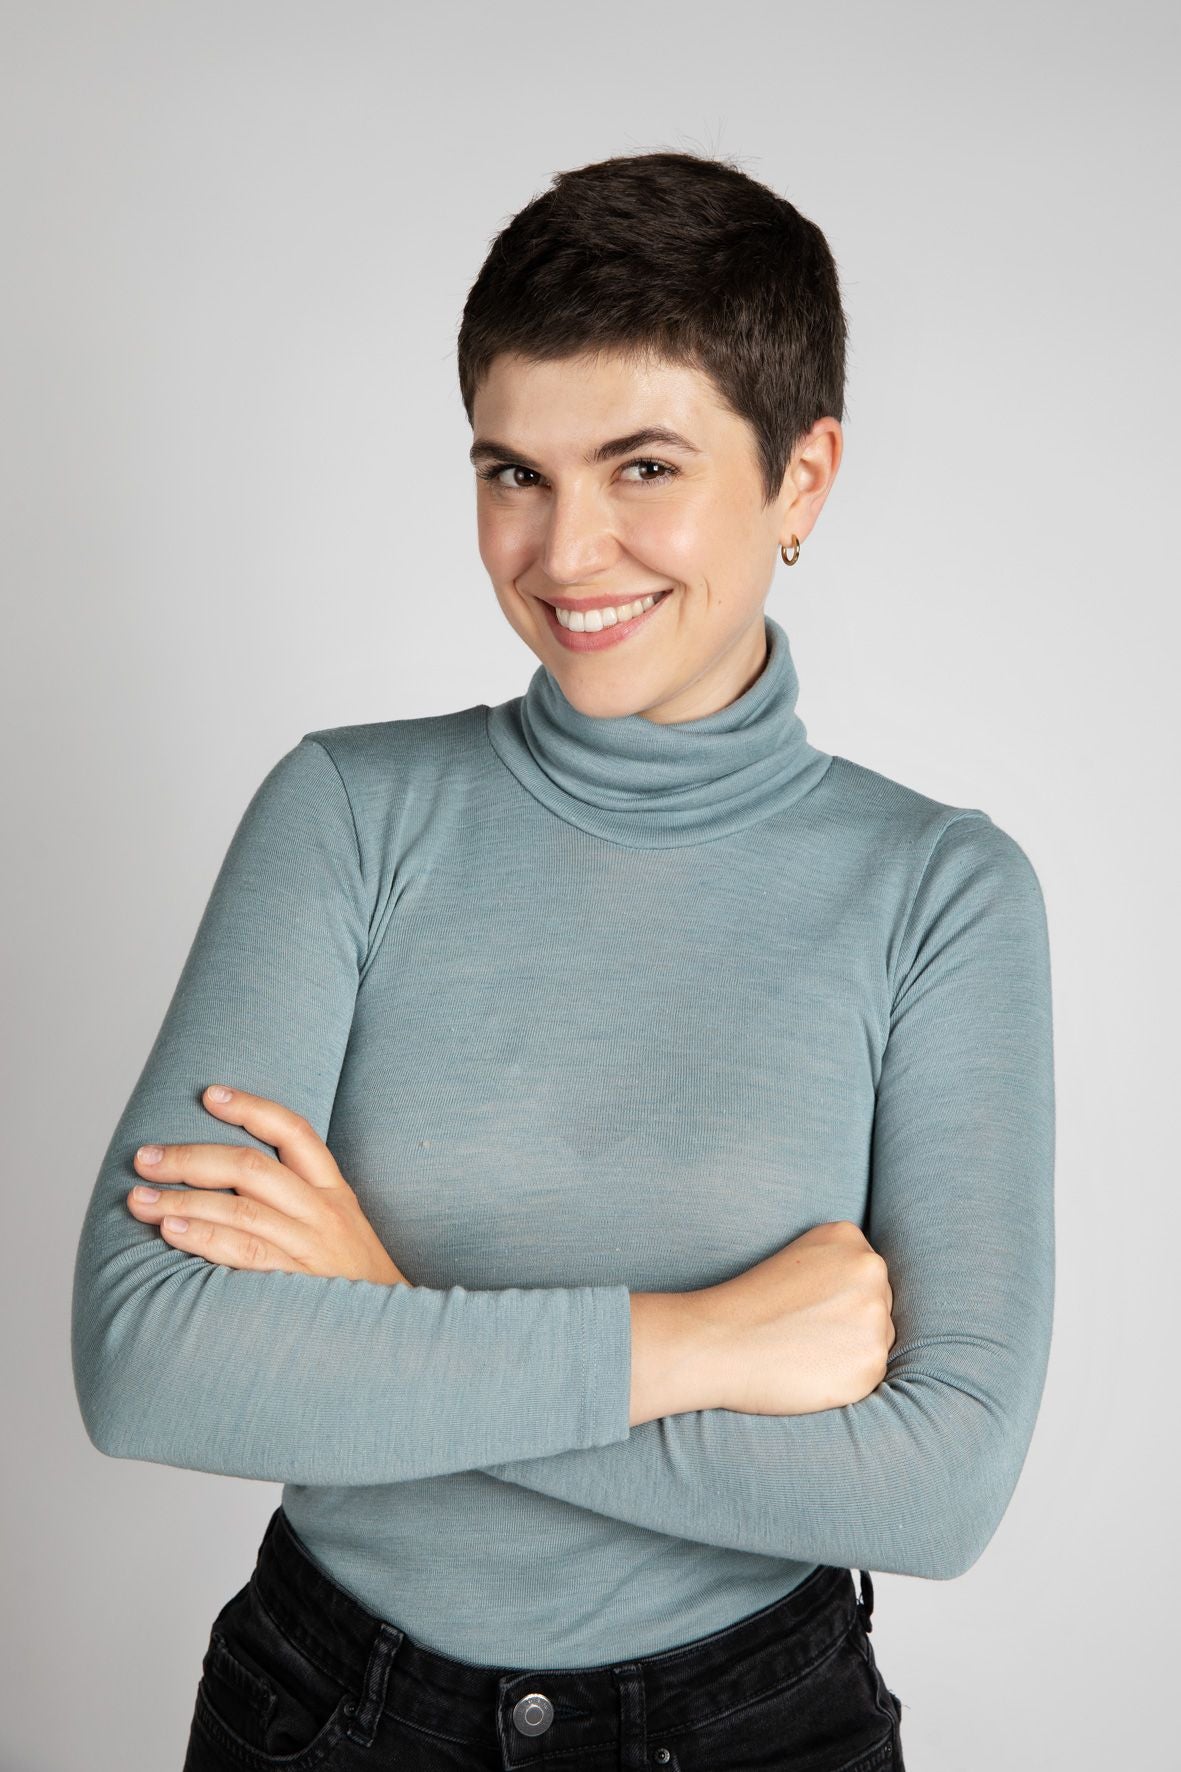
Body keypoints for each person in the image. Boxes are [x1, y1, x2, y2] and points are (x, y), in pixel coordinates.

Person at [71, 150, 1055, 1771]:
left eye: (641, 466)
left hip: (754, 1728)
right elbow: (147, 1362)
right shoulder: (347, 813)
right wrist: (699, 1344)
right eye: (512, 472)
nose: (563, 551)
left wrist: (384, 1320)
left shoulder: (936, 893)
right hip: (330, 1712)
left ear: (801, 478)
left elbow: (935, 1486)